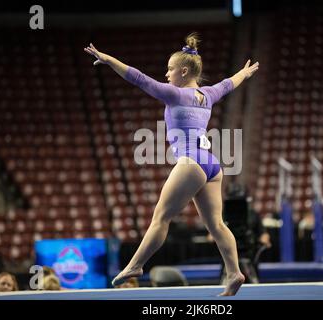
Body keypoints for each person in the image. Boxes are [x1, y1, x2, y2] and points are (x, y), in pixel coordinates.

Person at [84, 33, 259, 296]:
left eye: (169, 69)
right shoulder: (208, 95)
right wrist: (244, 74)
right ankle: (233, 272)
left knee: (161, 218)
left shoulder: (174, 95)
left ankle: (135, 265)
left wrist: (109, 60)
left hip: (191, 162)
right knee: (217, 224)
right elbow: (229, 83)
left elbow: (138, 78)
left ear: (183, 71)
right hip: (212, 164)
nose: (166, 74)